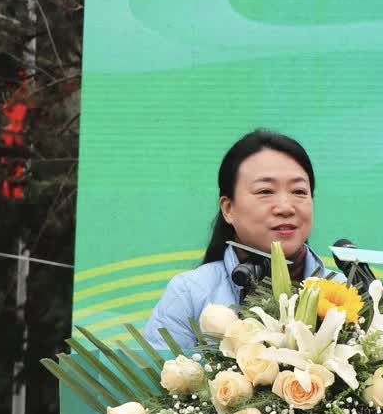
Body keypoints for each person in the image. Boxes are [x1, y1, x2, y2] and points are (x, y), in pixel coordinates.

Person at [142, 129, 332, 351]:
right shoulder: (190, 294)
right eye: (265, 191)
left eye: (299, 191)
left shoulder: (344, 296)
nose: (285, 207)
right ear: (228, 209)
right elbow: (155, 372)